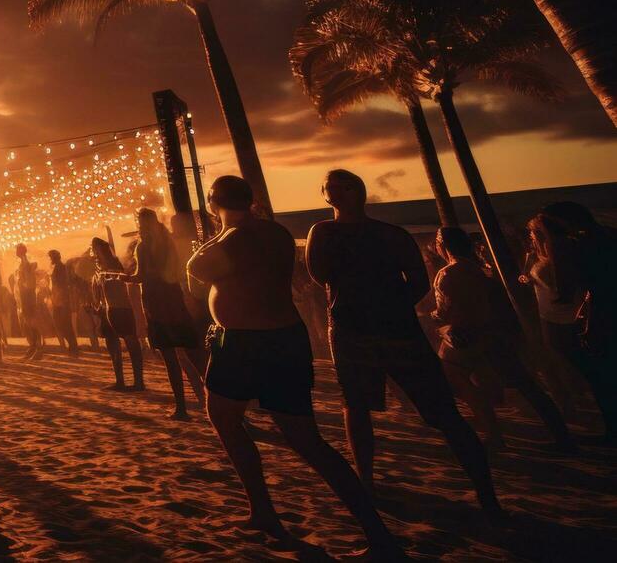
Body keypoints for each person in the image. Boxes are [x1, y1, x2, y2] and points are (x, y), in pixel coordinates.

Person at [189, 175, 398, 554]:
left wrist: (213, 235)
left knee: (234, 421)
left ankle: (269, 511)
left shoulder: (236, 237)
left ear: (212, 202)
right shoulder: (275, 232)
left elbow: (196, 271)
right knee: (302, 437)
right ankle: (371, 532)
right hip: (284, 337)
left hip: (246, 342)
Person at [305, 169, 500, 517]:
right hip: (359, 329)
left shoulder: (383, 233)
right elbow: (320, 275)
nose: (335, 191)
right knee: (358, 405)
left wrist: (385, 306)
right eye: (329, 186)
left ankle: (486, 492)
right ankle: (366, 480)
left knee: (440, 411)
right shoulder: (326, 231)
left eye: (343, 185)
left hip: (382, 330)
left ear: (358, 191)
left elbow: (417, 281)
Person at [432, 226, 574, 453]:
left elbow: (450, 307)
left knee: (456, 377)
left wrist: (437, 317)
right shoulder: (480, 269)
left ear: (443, 245)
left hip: (467, 335)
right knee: (526, 384)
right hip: (494, 333)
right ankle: (561, 434)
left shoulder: (448, 273)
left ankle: (494, 433)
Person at [525, 211, 616, 441]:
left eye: (534, 233)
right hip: (559, 321)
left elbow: (563, 292)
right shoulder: (555, 254)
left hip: (564, 323)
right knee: (592, 375)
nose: (531, 238)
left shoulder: (559, 254)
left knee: (594, 376)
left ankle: (608, 426)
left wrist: (534, 275)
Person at [121, 209, 204, 419]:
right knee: (194, 354)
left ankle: (181, 407)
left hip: (156, 302)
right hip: (173, 298)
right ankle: (211, 400)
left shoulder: (143, 247)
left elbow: (141, 276)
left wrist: (127, 279)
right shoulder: (168, 243)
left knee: (170, 357)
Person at [89, 238, 144, 391]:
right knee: (112, 345)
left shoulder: (113, 265)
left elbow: (119, 285)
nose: (93, 252)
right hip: (107, 310)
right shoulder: (98, 268)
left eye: (95, 249)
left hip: (121, 309)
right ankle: (119, 380)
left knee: (131, 343)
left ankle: (139, 382)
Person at [46, 249, 79, 356]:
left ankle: (73, 347)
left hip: (62, 301)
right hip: (57, 300)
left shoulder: (61, 268)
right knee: (61, 325)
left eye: (50, 257)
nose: (49, 259)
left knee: (65, 325)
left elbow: (62, 285)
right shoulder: (57, 267)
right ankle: (73, 347)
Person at [13, 245, 44, 360]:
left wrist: (22, 284)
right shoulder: (23, 264)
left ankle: (38, 348)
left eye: (17, 250)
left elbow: (29, 283)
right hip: (24, 298)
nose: (15, 251)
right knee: (28, 324)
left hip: (28, 298)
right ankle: (33, 347)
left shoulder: (25, 264)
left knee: (32, 323)